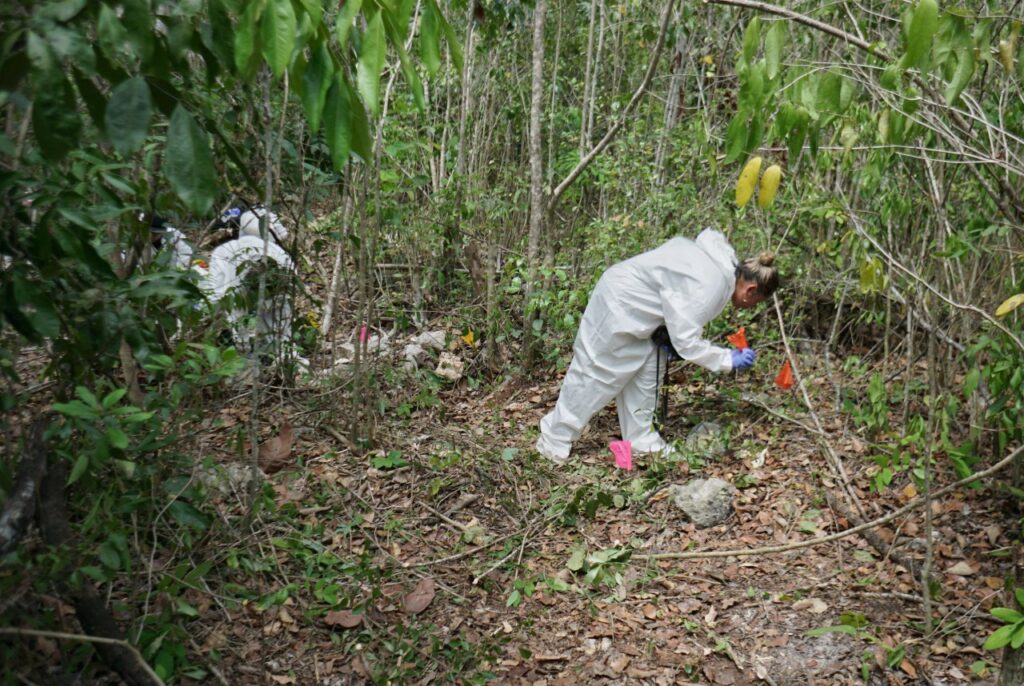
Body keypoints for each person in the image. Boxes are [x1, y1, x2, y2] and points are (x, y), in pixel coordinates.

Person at [534, 228, 779, 464]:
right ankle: (554, 439)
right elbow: (687, 342)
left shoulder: (720, 271)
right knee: (597, 374)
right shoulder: (712, 284)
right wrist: (726, 359)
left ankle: (642, 441)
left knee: (647, 373)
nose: (751, 307)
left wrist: (668, 334)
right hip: (620, 304)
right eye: (756, 302)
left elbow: (675, 300)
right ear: (751, 290)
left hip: (643, 317)